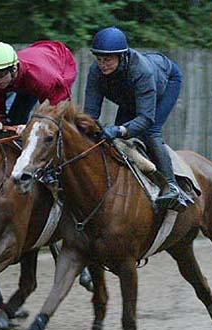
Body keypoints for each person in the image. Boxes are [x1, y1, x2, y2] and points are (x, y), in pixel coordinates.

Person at [83, 27, 193, 211]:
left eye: (108, 60)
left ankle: (172, 187)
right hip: (131, 96)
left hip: (167, 82)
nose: (102, 64)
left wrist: (119, 130)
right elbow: (90, 115)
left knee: (149, 131)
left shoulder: (141, 71)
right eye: (99, 59)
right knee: (116, 141)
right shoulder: (95, 71)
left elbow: (145, 119)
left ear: (122, 56)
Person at [0, 41, 77, 130]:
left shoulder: (42, 79)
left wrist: (31, 129)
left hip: (61, 61)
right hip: (32, 67)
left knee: (52, 124)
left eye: (0, 75)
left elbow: (57, 111)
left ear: (14, 69)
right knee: (14, 120)